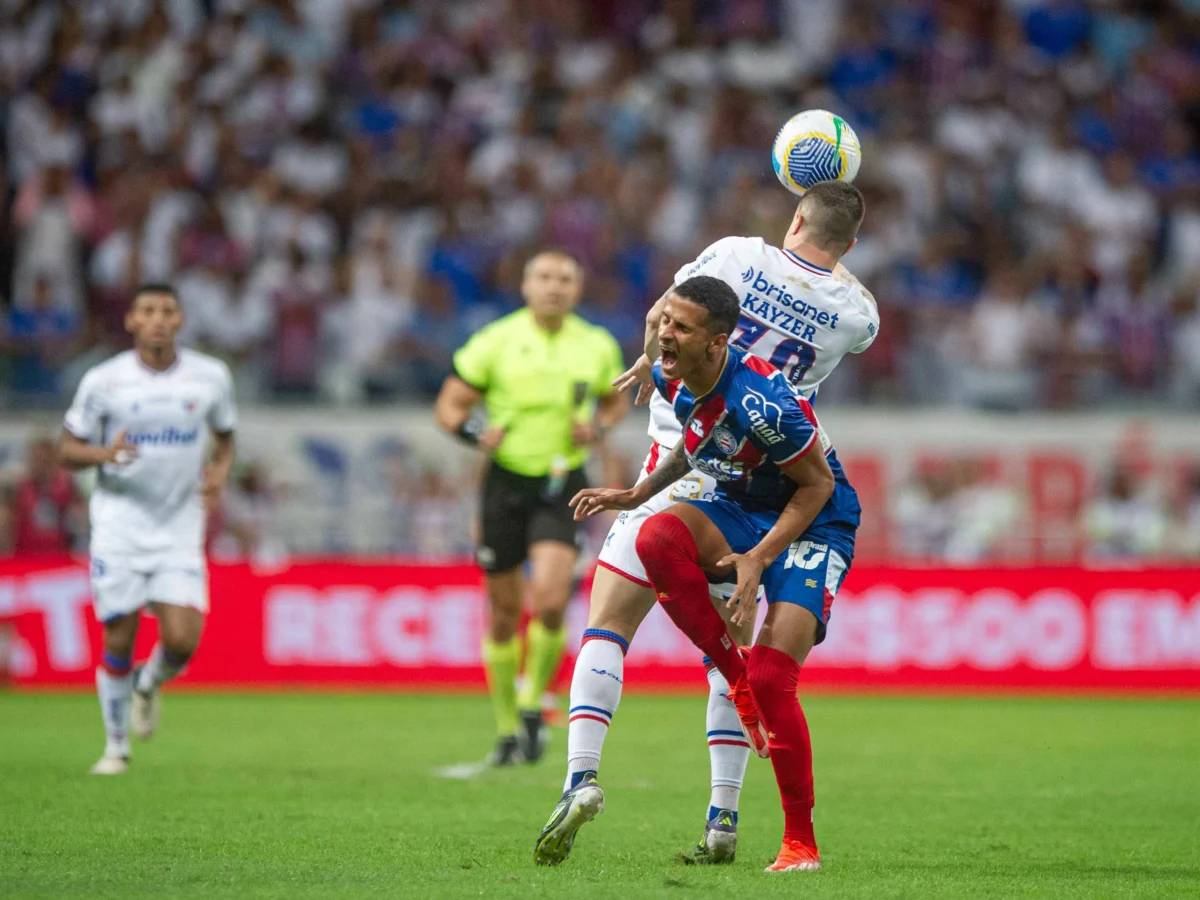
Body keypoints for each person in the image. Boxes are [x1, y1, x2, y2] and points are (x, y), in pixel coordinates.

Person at [536, 181, 877, 865]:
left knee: (606, 622)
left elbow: (669, 313)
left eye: (676, 332)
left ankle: (581, 776)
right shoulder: (856, 312)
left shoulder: (734, 261)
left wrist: (646, 359)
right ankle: (723, 816)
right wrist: (633, 495)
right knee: (730, 644)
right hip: (731, 463)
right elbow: (840, 300)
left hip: (762, 471)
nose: (665, 335)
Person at [433, 250, 630, 765]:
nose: (554, 287)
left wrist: (601, 428)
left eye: (565, 278)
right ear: (525, 286)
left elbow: (616, 401)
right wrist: (477, 431)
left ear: (578, 289)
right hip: (503, 483)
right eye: (544, 277)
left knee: (548, 599)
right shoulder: (496, 340)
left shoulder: (596, 344)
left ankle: (529, 702)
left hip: (562, 481)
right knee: (501, 613)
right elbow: (449, 406)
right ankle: (505, 731)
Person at [57, 284, 237, 775]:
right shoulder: (104, 381)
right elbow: (66, 449)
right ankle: (116, 747)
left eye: (168, 311)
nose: (158, 319)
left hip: (179, 523)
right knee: (120, 634)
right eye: (148, 311)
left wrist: (220, 471)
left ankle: (147, 682)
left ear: (180, 320)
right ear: (132, 321)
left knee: (182, 640)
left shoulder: (211, 378)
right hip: (120, 524)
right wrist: (103, 454)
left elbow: (225, 435)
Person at [11, 436, 84, 556]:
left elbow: (80, 520)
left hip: (58, 556)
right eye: (36, 460)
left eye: (44, 460)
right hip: (25, 555)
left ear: (53, 461)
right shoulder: (20, 487)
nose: (40, 465)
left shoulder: (66, 487)